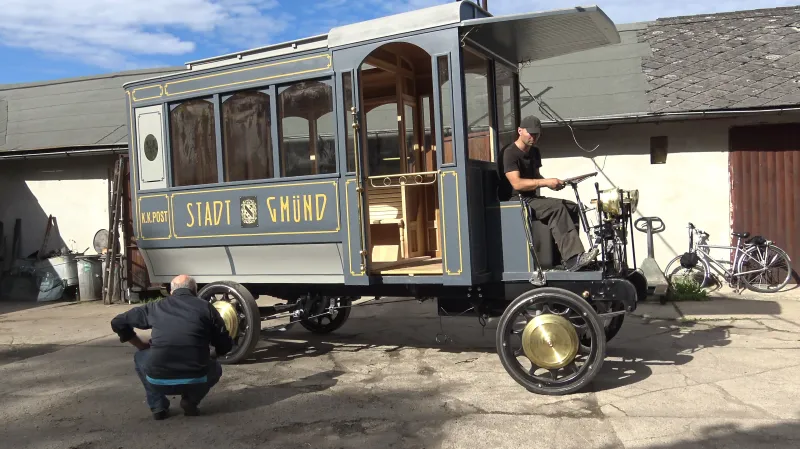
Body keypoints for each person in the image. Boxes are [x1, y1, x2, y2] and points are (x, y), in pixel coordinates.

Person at [110, 274, 233, 420]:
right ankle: (190, 401)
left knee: (139, 356)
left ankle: (158, 406)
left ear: (171, 291)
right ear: (195, 291)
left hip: (158, 380)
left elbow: (118, 322)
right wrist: (213, 355)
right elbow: (225, 344)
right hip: (196, 379)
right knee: (216, 368)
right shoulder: (207, 308)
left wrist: (140, 345)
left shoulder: (155, 307)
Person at [498, 115, 598, 271]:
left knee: (571, 207)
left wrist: (552, 185)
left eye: (537, 134)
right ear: (519, 131)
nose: (534, 137)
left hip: (531, 198)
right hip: (515, 200)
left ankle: (563, 259)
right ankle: (573, 259)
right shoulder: (509, 153)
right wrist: (546, 182)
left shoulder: (535, 152)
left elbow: (536, 177)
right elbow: (517, 183)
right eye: (530, 133)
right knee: (556, 208)